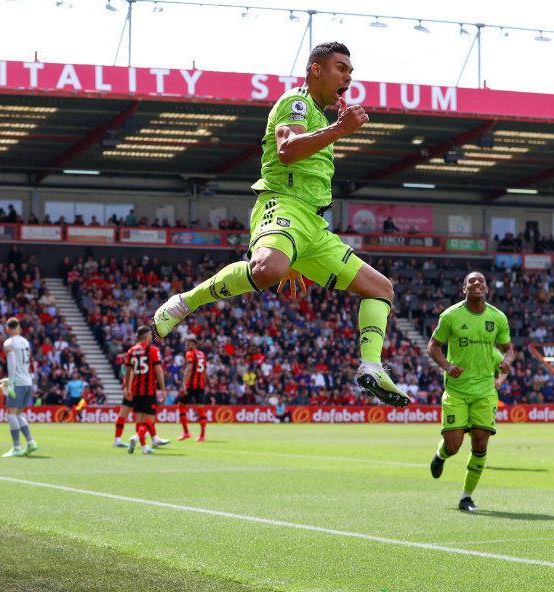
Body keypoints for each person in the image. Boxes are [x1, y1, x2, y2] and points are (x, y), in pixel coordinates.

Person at [152, 41, 409, 408]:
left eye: (351, 72)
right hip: (282, 205)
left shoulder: (320, 114)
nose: (348, 77)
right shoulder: (296, 102)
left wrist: (296, 253)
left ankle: (371, 367)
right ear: (316, 69)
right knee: (268, 269)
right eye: (341, 68)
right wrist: (340, 129)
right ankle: (183, 303)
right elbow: (287, 151)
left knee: (381, 288)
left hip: (313, 227)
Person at [427, 271, 514, 512]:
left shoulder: (498, 317)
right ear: (464, 289)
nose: (477, 284)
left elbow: (509, 349)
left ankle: (466, 497)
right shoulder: (451, 316)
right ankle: (441, 455)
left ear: (486, 289)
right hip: (456, 391)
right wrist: (447, 366)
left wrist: (507, 362)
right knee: (453, 445)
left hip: (485, 391)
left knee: (480, 444)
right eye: (471, 282)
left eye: (481, 282)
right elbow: (433, 346)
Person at [122, 325, 171, 454]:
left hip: (136, 390)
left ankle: (144, 447)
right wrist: (163, 389)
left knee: (139, 420)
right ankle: (136, 437)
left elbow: (127, 372)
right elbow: (159, 371)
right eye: (150, 335)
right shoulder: (153, 350)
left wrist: (127, 388)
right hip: (149, 390)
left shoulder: (130, 351)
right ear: (146, 336)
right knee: (150, 419)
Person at [0, 318, 38, 457]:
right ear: (19, 328)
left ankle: (16, 447)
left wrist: (11, 382)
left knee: (10, 415)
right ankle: (31, 443)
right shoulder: (24, 341)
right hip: (27, 381)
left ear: (7, 329)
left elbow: (11, 362)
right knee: (17, 414)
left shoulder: (9, 343)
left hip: (18, 383)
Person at [177, 336, 208, 442]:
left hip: (190, 385)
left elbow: (189, 370)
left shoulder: (189, 354)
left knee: (181, 406)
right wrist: (203, 382)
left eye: (188, 344)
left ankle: (186, 432)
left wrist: (184, 385)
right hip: (200, 385)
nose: (186, 346)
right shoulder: (202, 354)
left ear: (194, 344)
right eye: (185, 344)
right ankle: (202, 435)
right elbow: (204, 371)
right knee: (201, 410)